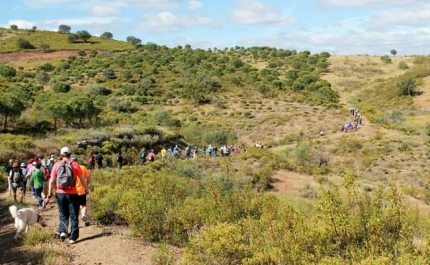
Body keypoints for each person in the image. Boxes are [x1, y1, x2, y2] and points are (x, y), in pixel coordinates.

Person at [47, 147, 90, 244]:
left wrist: (49, 193)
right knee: (74, 215)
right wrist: (86, 189)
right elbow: (82, 179)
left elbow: (52, 181)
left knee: (63, 213)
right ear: (70, 154)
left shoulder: (56, 165)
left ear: (61, 155)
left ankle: (63, 231)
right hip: (73, 194)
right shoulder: (75, 164)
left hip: (60, 193)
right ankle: (73, 238)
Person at [71, 155, 91, 226]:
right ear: (77, 160)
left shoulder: (69, 168)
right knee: (83, 204)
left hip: (72, 192)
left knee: (74, 206)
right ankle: (83, 215)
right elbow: (88, 179)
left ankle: (75, 221)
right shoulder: (83, 167)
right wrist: (87, 186)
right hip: (82, 190)